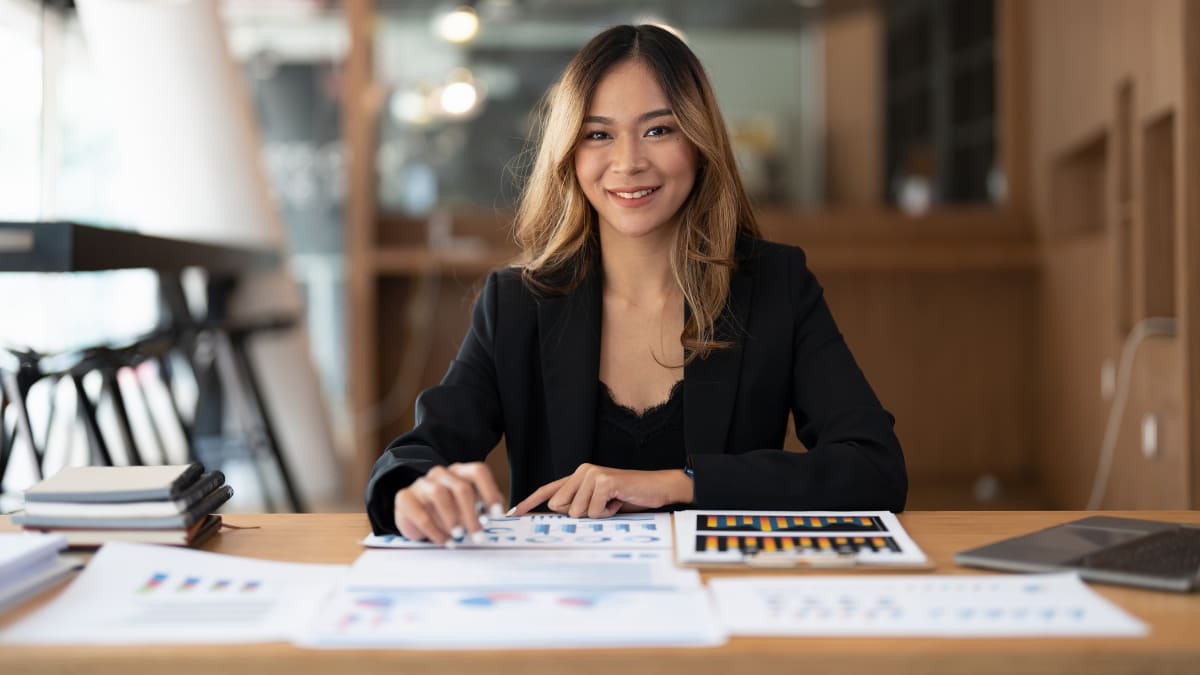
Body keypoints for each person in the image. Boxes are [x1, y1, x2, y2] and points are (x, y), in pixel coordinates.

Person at [365, 24, 906, 544]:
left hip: (723, 595)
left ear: (698, 141)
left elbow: (873, 467)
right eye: (598, 135)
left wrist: (680, 484)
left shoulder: (776, 285)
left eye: (659, 129)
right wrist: (413, 492)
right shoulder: (516, 304)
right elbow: (418, 455)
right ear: (570, 156)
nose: (628, 162)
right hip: (566, 607)